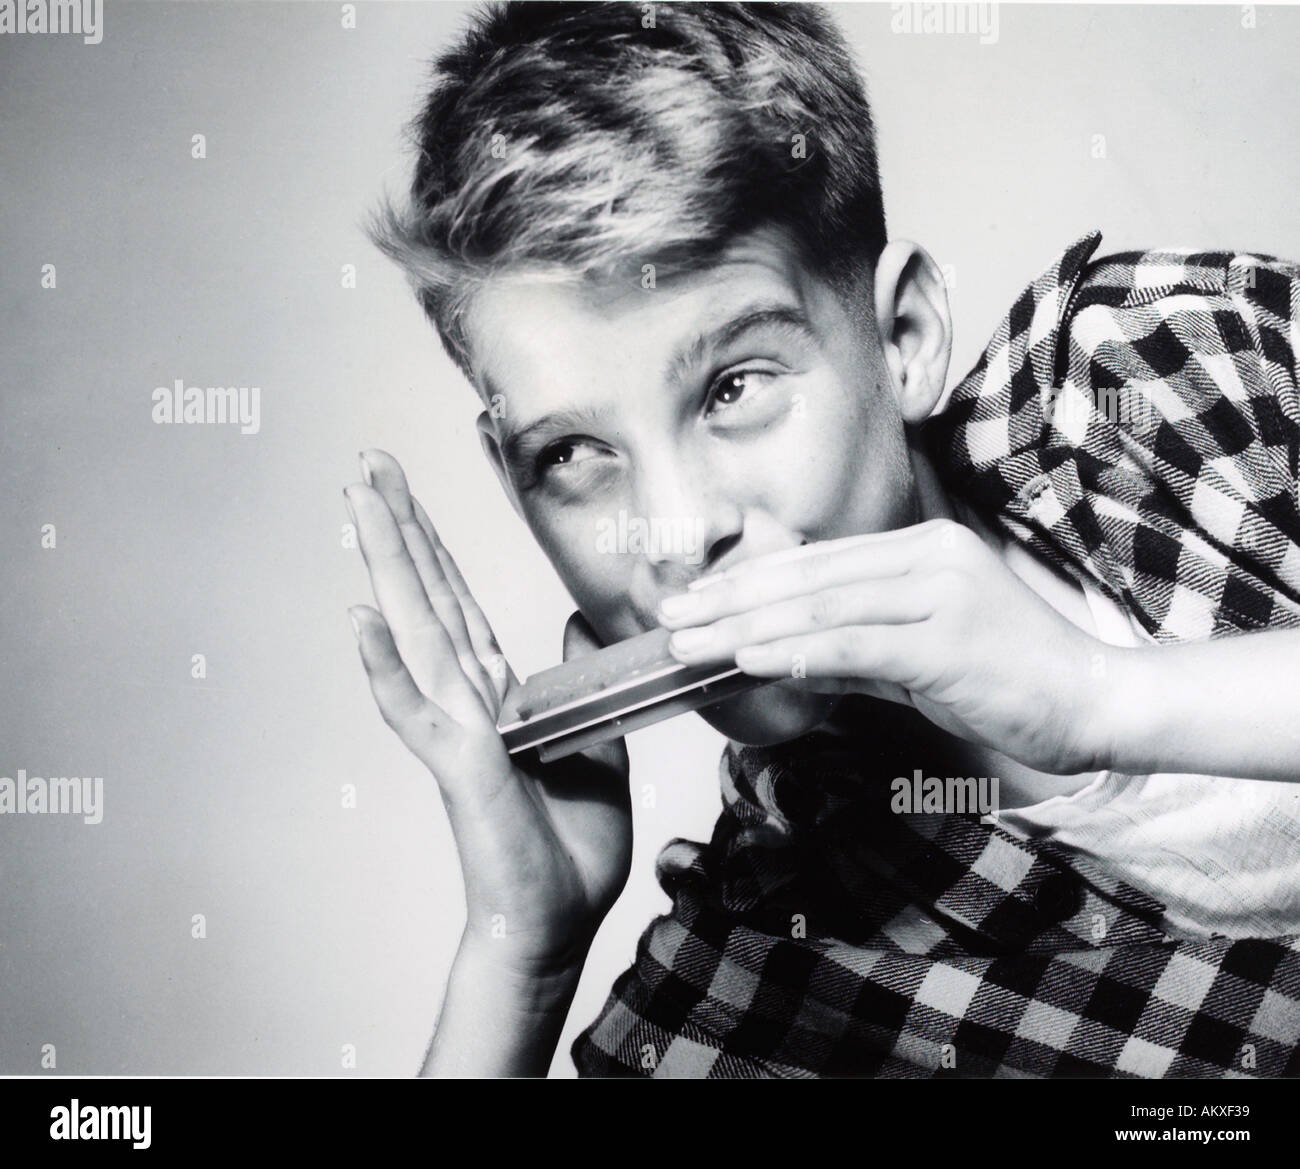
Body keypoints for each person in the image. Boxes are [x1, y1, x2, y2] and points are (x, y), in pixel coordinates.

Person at [345, 1, 1300, 1077]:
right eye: (571, 453)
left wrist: (1099, 699)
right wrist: (518, 960)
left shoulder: (1154, 368)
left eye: (734, 387)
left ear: (904, 340)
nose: (681, 533)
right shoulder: (746, 981)